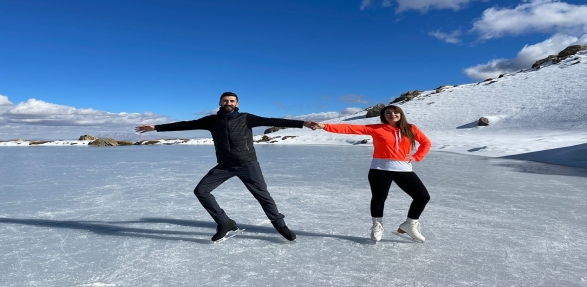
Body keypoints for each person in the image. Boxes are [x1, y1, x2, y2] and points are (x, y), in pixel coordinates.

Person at [135, 92, 318, 242]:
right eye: (225, 100)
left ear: (237, 103)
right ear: (220, 102)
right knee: (201, 191)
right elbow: (185, 124)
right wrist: (156, 128)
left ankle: (280, 225)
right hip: (224, 165)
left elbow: (275, 121)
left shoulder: (247, 118)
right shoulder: (212, 120)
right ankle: (224, 222)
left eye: (232, 100)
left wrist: (303, 123)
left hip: (247, 164)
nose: (228, 103)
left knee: (263, 196)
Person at [315, 105, 431, 242]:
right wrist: (324, 126)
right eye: (388, 113)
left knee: (422, 196)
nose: (392, 114)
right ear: (384, 116)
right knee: (379, 198)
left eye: (395, 112)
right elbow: (350, 128)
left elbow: (426, 143)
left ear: (401, 114)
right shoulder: (377, 128)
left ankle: (410, 224)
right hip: (379, 169)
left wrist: (416, 157)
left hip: (403, 169)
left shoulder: (411, 128)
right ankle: (377, 224)